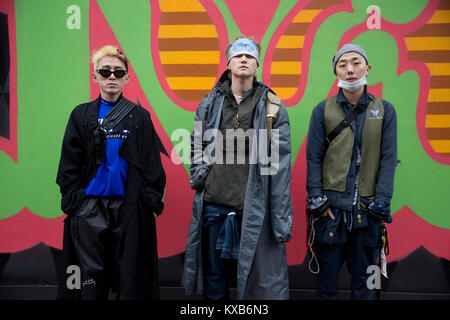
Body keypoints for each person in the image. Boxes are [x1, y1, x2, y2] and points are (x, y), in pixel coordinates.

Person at [182, 37, 293, 300]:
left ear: (257, 63)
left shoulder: (273, 106)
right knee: (214, 279)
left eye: (250, 55)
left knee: (256, 283)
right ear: (228, 62)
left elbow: (280, 165)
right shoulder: (209, 103)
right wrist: (201, 176)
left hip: (253, 208)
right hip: (213, 204)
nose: (244, 59)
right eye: (238, 55)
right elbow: (196, 142)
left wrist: (279, 215)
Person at [56, 45, 166, 300]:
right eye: (105, 72)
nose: (112, 77)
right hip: (90, 207)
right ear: (95, 77)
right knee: (90, 280)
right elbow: (69, 161)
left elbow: (151, 164)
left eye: (118, 72)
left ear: (127, 77)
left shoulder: (140, 117)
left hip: (129, 209)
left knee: (130, 278)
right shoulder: (81, 115)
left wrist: (149, 200)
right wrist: (74, 199)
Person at [306, 43, 398, 300]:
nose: (350, 69)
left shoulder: (385, 110)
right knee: (326, 286)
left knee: (366, 285)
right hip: (331, 211)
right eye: (342, 64)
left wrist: (382, 201)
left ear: (367, 68)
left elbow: (389, 159)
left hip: (369, 212)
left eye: (356, 62)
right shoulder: (322, 110)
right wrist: (317, 199)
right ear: (335, 71)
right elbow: (313, 157)